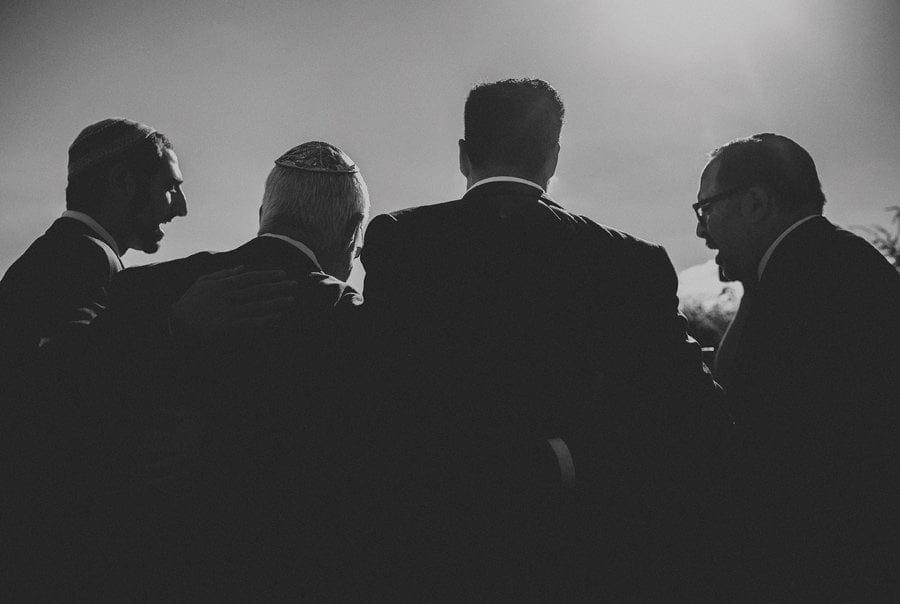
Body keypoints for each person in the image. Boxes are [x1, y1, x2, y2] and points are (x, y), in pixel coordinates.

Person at [361, 78, 727, 599]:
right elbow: (691, 418)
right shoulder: (629, 262)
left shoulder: (400, 242)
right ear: (553, 158)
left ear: (464, 154)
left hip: (430, 551)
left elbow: (379, 396)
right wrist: (566, 458)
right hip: (584, 559)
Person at [0, 118, 295, 599]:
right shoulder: (80, 258)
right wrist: (179, 324)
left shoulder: (61, 255)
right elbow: (57, 378)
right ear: (121, 183)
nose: (181, 207)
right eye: (169, 188)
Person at [103, 141, 374, 598]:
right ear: (352, 232)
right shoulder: (347, 316)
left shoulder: (143, 290)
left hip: (154, 574)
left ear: (263, 211)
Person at [693, 133, 900, 599]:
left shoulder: (812, 287)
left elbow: (771, 448)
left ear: (755, 203)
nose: (701, 232)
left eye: (705, 209)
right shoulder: (821, 263)